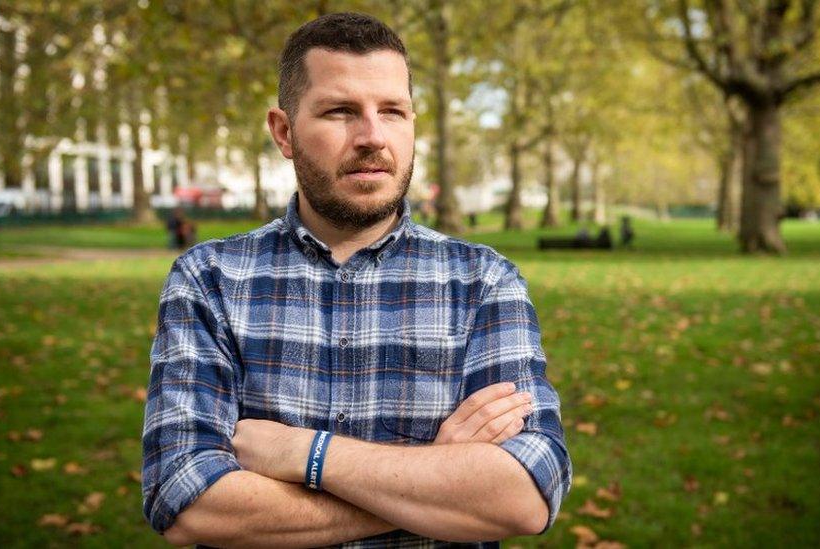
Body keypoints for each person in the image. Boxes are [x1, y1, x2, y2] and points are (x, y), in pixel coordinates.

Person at [141, 12, 570, 548]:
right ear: (284, 131)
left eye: (392, 111)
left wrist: (304, 454)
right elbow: (185, 501)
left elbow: (525, 494)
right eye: (341, 111)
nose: (372, 137)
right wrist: (435, 475)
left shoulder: (484, 282)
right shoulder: (208, 281)